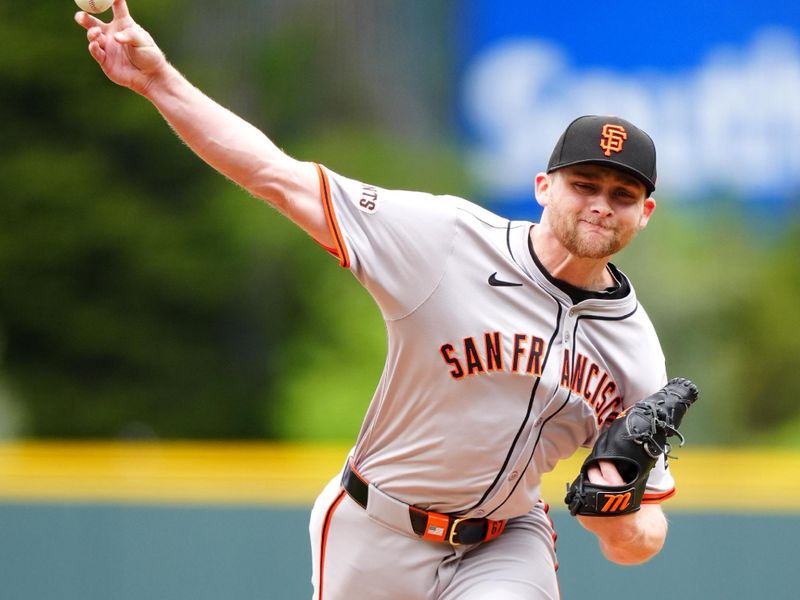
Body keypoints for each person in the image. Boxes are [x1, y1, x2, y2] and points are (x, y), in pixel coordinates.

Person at [75, 2, 688, 598]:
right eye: (584, 184)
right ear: (542, 187)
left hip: (504, 542)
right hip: (374, 528)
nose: (601, 203)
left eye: (623, 193)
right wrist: (159, 82)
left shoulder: (633, 349)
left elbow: (637, 540)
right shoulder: (445, 240)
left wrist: (618, 512)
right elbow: (276, 176)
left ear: (646, 212)